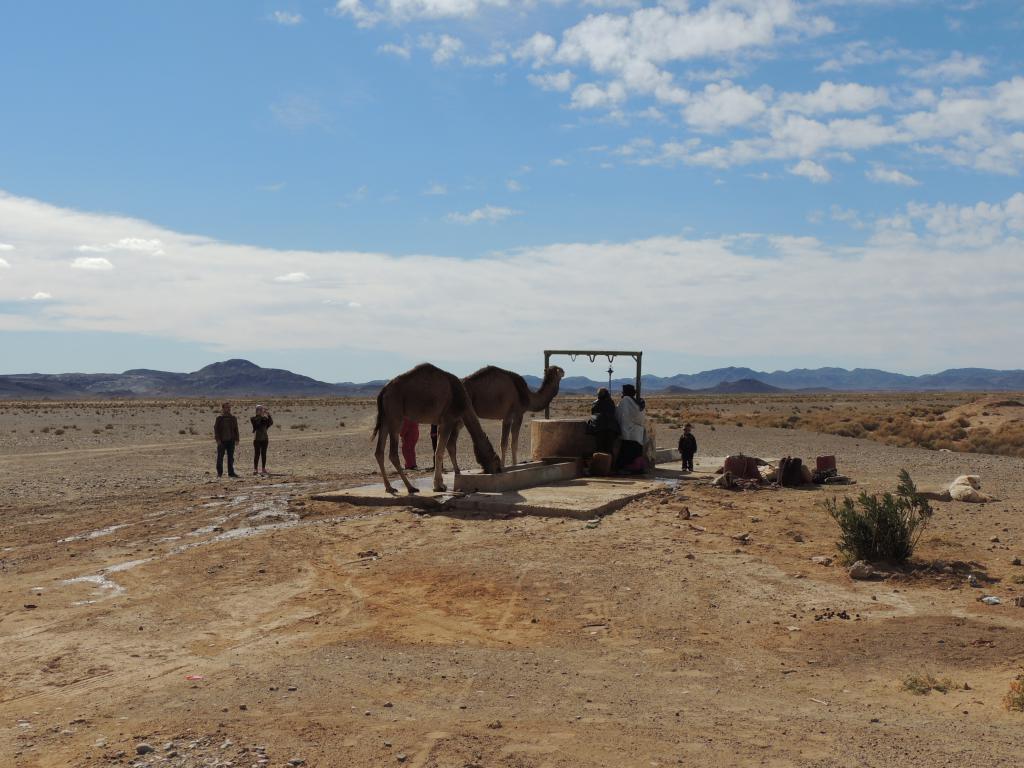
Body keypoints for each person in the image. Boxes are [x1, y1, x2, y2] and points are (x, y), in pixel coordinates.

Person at [615, 384, 646, 472]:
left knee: (627, 454)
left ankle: (627, 469)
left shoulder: (626, 401)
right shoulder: (638, 402)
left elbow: (619, 414)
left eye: (623, 391)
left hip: (628, 433)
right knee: (636, 454)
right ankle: (638, 469)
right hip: (638, 433)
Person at [588, 387, 619, 454]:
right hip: (611, 429)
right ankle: (610, 464)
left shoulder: (595, 403)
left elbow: (593, 415)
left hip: (599, 429)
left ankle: (601, 463)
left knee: (600, 450)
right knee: (609, 450)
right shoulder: (611, 402)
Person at [213, 402, 240, 478]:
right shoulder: (219, 418)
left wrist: (237, 439)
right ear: (223, 408)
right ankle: (219, 473)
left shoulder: (233, 418)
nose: (228, 409)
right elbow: (216, 429)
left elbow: (236, 429)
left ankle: (231, 473)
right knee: (220, 457)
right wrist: (218, 440)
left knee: (231, 458)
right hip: (222, 441)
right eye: (226, 407)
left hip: (231, 440)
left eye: (229, 407)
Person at [251, 405, 273, 476]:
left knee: (264, 454)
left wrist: (268, 415)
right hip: (257, 439)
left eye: (261, 409)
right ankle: (255, 469)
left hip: (265, 438)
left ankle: (263, 468)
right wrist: (261, 415)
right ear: (257, 411)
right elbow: (257, 424)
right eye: (260, 409)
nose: (261, 411)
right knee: (257, 454)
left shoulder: (264, 419)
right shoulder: (253, 418)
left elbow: (271, 423)